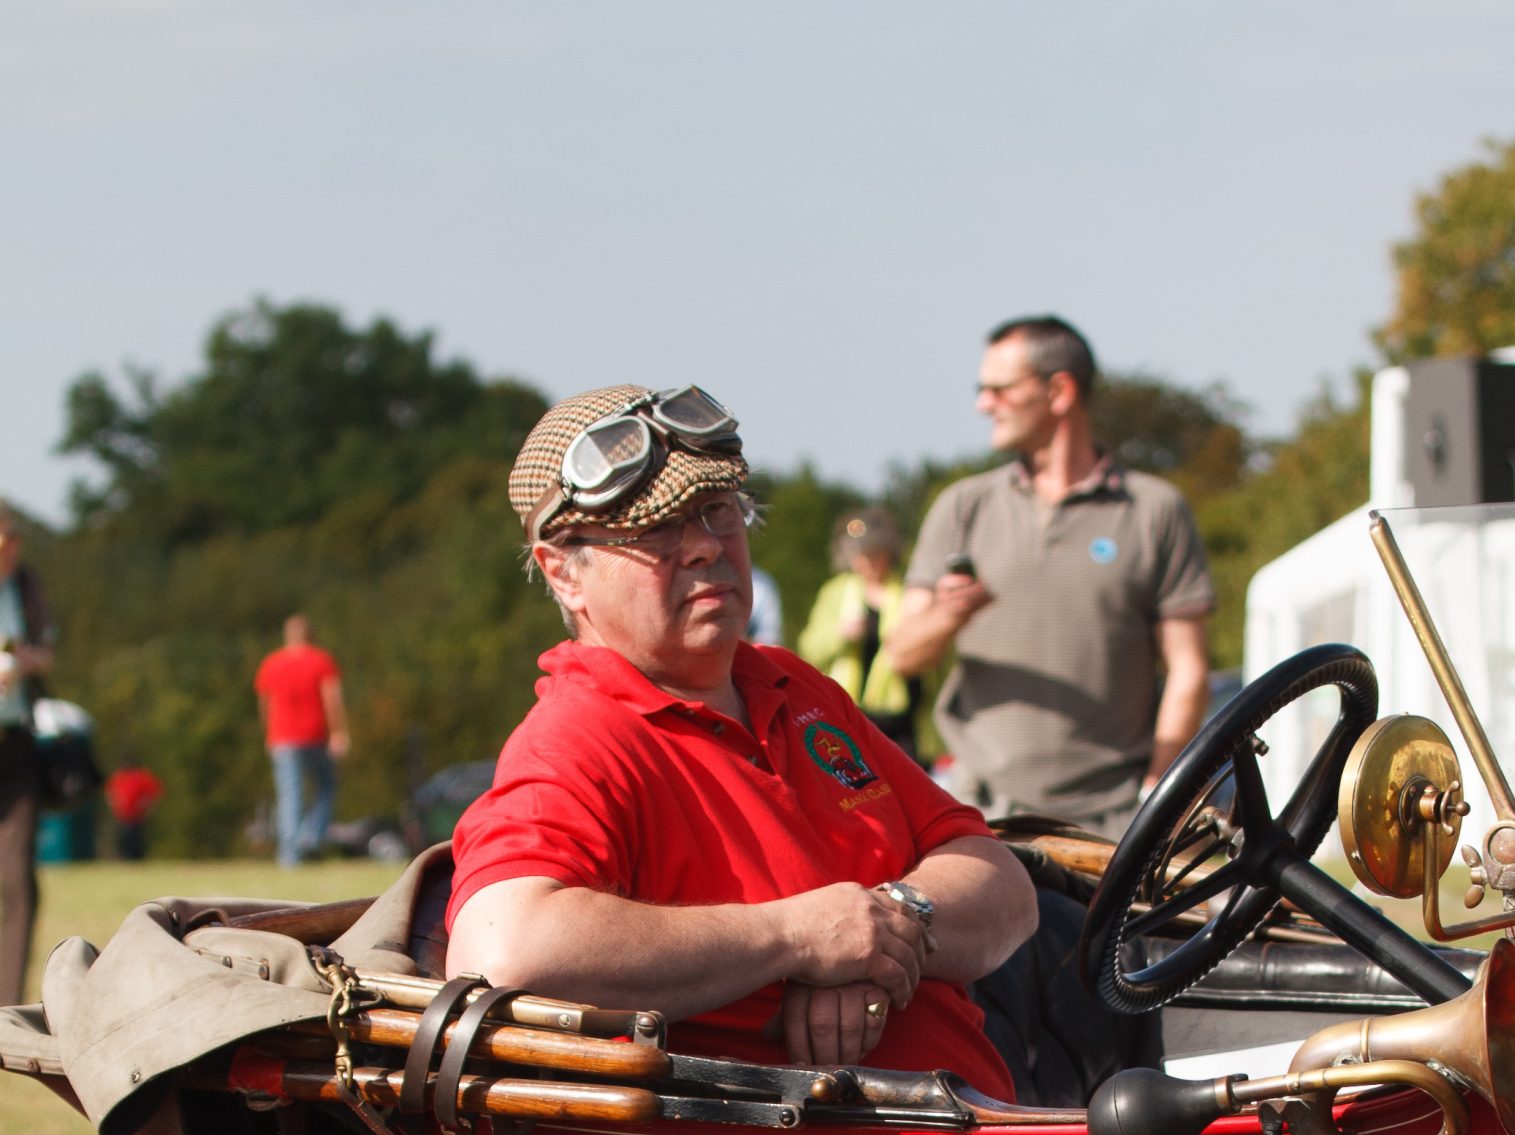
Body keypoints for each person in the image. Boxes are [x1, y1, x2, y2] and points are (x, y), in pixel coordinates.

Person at [446, 384, 1035, 1084]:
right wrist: (796, 938)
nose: (702, 546)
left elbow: (1001, 882)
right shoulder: (577, 737)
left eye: (716, 511)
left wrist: (884, 924)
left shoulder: (794, 684)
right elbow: (501, 948)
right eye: (653, 529)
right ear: (563, 573)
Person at [886, 316, 1214, 834]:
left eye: (998, 389)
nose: (982, 404)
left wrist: (1159, 793)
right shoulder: (963, 507)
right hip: (981, 814)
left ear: (1059, 390)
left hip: (1116, 819)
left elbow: (1188, 669)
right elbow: (901, 656)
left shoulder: (1154, 510)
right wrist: (951, 611)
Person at [797, 506, 922, 758]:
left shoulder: (909, 591)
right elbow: (808, 648)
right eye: (862, 555)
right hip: (845, 713)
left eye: (875, 554)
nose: (868, 562)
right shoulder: (835, 592)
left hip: (898, 719)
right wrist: (840, 635)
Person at [0, 506, 54, 1008]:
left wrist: (20, 661)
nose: (7, 556)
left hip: (15, 737)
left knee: (16, 875)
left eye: (12, 547)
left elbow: (47, 651)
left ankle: (6, 1003)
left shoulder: (24, 584)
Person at [254, 614, 349, 866]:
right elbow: (332, 699)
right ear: (311, 634)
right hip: (315, 736)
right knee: (326, 788)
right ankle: (310, 836)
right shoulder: (321, 661)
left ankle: (290, 855)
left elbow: (264, 704)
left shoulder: (271, 663)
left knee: (289, 795)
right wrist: (338, 732)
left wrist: (268, 733)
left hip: (282, 739)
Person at [105, 761, 163, 862]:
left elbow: (154, 791)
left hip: (137, 815)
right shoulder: (119, 777)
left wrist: (146, 805)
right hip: (123, 815)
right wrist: (115, 806)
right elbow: (111, 793)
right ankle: (128, 859)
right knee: (124, 839)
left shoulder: (141, 777)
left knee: (135, 839)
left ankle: (136, 859)